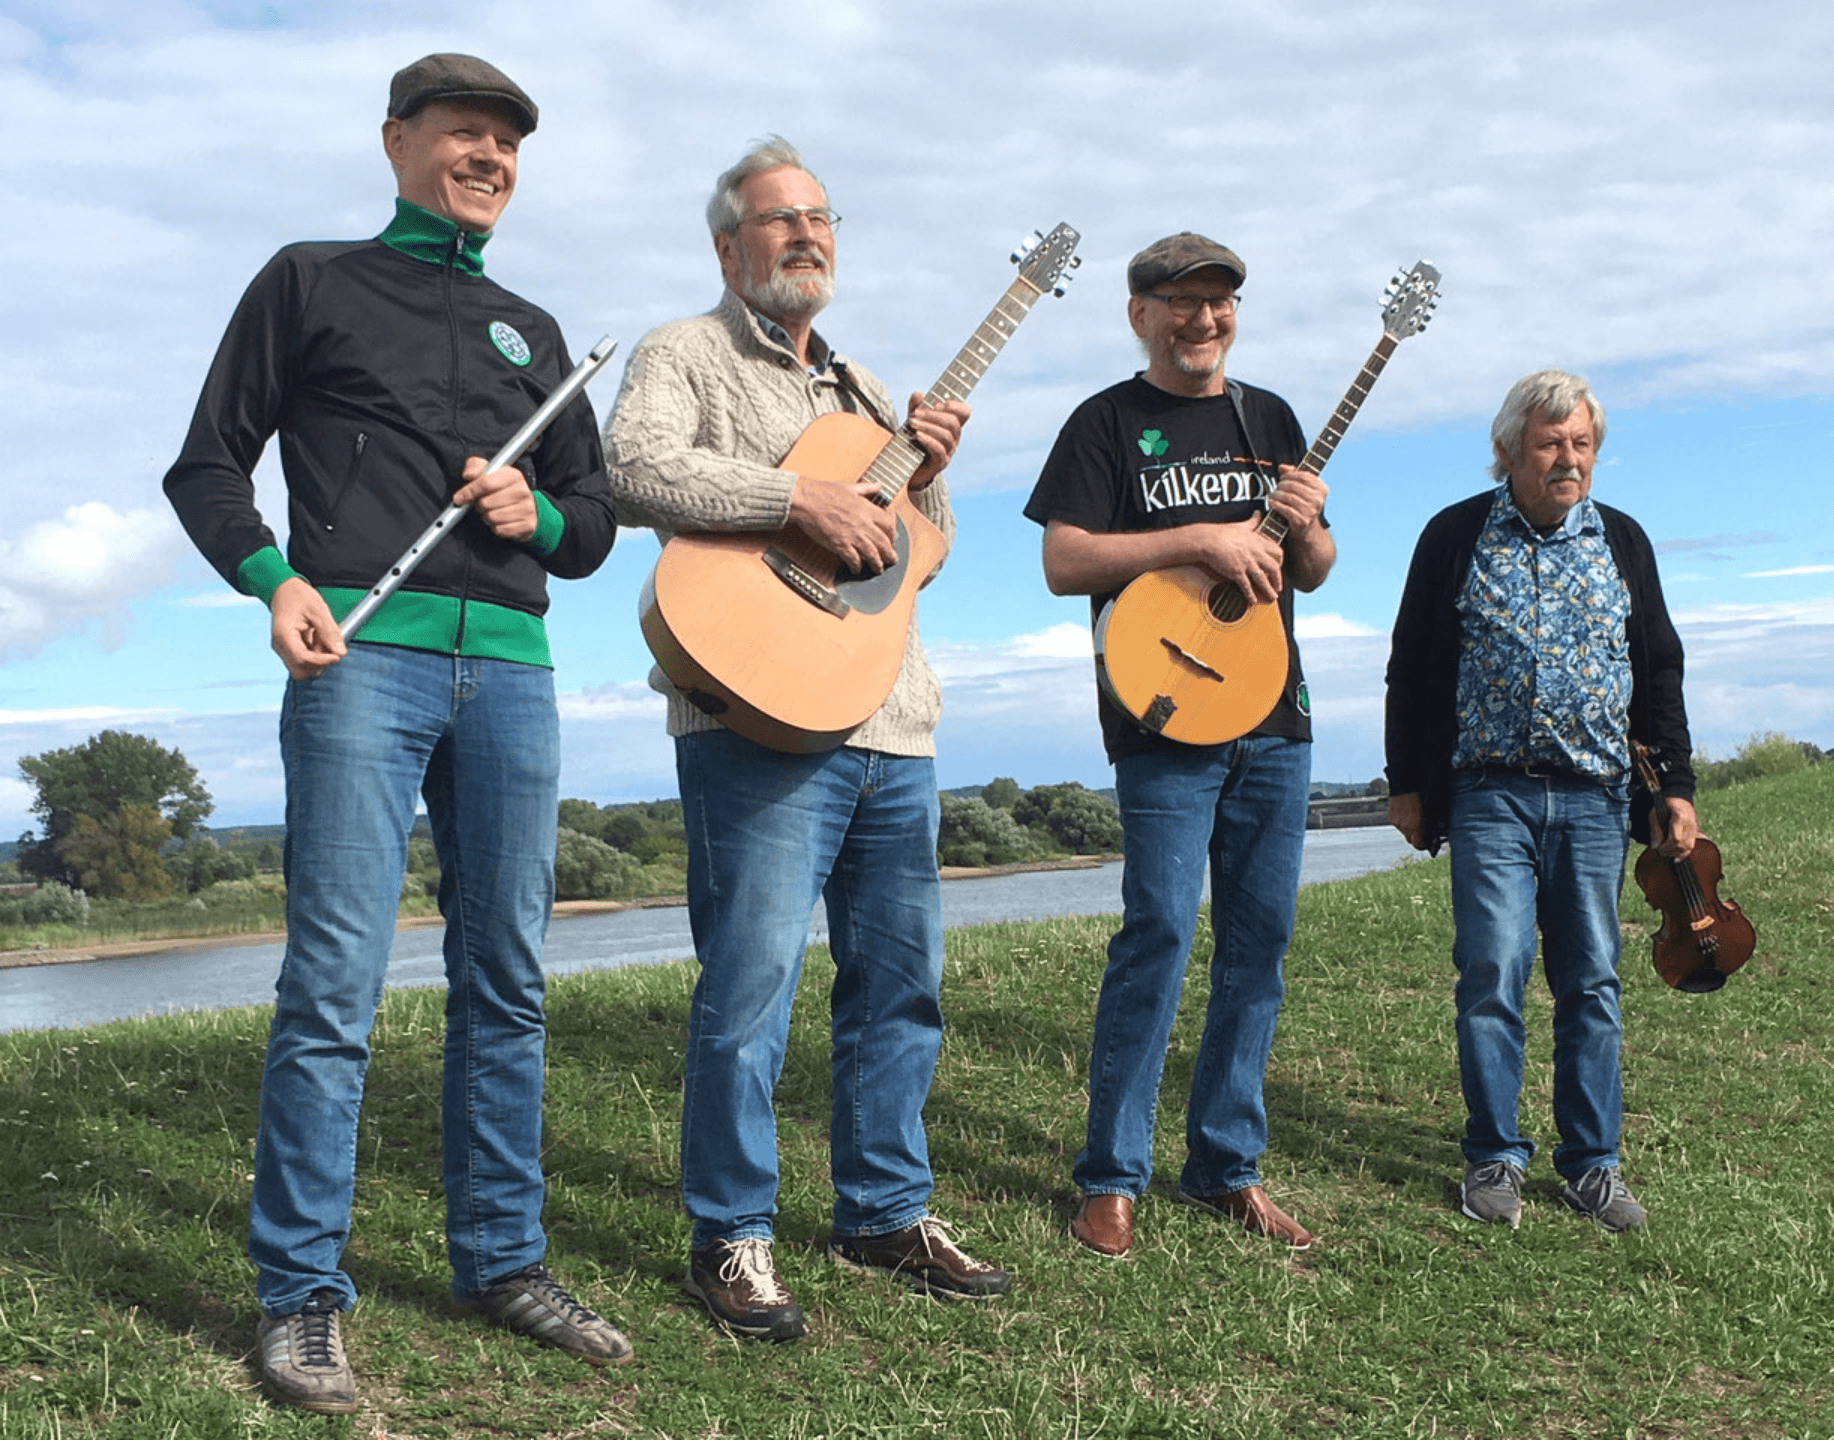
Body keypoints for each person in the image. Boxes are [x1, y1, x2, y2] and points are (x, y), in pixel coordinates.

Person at [162, 53, 629, 1414]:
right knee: (333, 989)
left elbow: (592, 526)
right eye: (462, 134)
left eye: (506, 143)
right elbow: (205, 462)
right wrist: (274, 579)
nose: (487, 156)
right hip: (366, 663)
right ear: (397, 142)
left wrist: (530, 518)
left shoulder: (535, 331)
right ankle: (301, 1297)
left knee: (510, 981)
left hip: (518, 676)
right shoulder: (310, 280)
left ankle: (504, 1261)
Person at [600, 136, 1010, 1341]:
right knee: (749, 989)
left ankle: (885, 1209)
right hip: (755, 711)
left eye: (820, 219)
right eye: (779, 221)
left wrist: (928, 473)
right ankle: (733, 1232)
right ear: (729, 244)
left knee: (901, 988)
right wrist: (796, 497)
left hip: (891, 721)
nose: (805, 237)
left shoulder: (870, 387)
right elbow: (632, 471)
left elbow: (917, 552)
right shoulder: (684, 353)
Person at [1022, 233, 1337, 1259]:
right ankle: (1111, 1177)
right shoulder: (1106, 423)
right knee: (1158, 929)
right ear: (1139, 315)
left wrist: (1313, 525)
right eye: (1181, 303)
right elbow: (1065, 560)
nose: (1203, 320)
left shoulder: (1271, 418)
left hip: (1274, 720)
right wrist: (1198, 540)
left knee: (1259, 945)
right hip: (1161, 717)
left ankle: (1225, 1168)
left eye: (1219, 303)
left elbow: (1314, 569)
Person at [1382, 369, 1697, 1233]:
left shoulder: (1623, 541)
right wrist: (1407, 782)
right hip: (1490, 794)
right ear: (1511, 452)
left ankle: (1594, 1167)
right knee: (1492, 970)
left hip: (1596, 798)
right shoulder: (1455, 535)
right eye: (1551, 443)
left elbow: (1657, 668)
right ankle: (1493, 1159)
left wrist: (1674, 788)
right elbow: (1411, 665)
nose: (1569, 459)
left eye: (1582, 444)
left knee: (1591, 980)